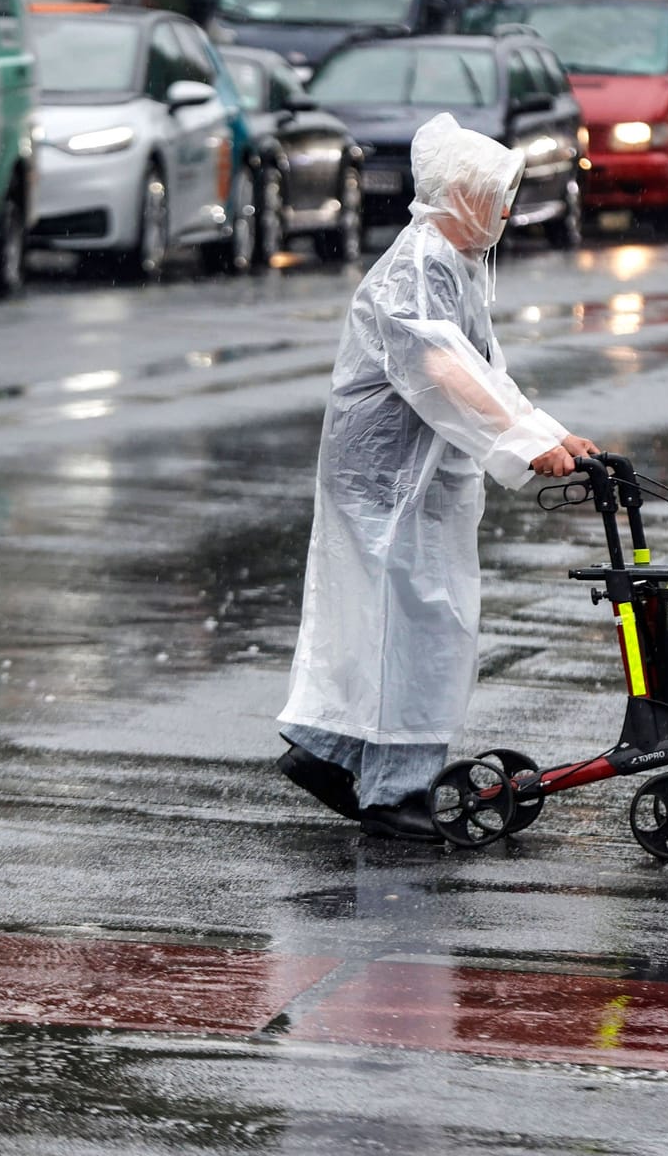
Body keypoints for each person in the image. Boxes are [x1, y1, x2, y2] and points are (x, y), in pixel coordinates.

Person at [276, 113, 599, 841]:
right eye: (495, 195)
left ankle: (330, 753)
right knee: (413, 629)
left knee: (397, 626)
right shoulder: (418, 266)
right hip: (387, 488)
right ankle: (395, 794)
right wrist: (523, 443)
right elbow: (441, 369)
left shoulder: (453, 266)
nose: (507, 213)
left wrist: (551, 434)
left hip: (414, 484)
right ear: (458, 195)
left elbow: (486, 375)